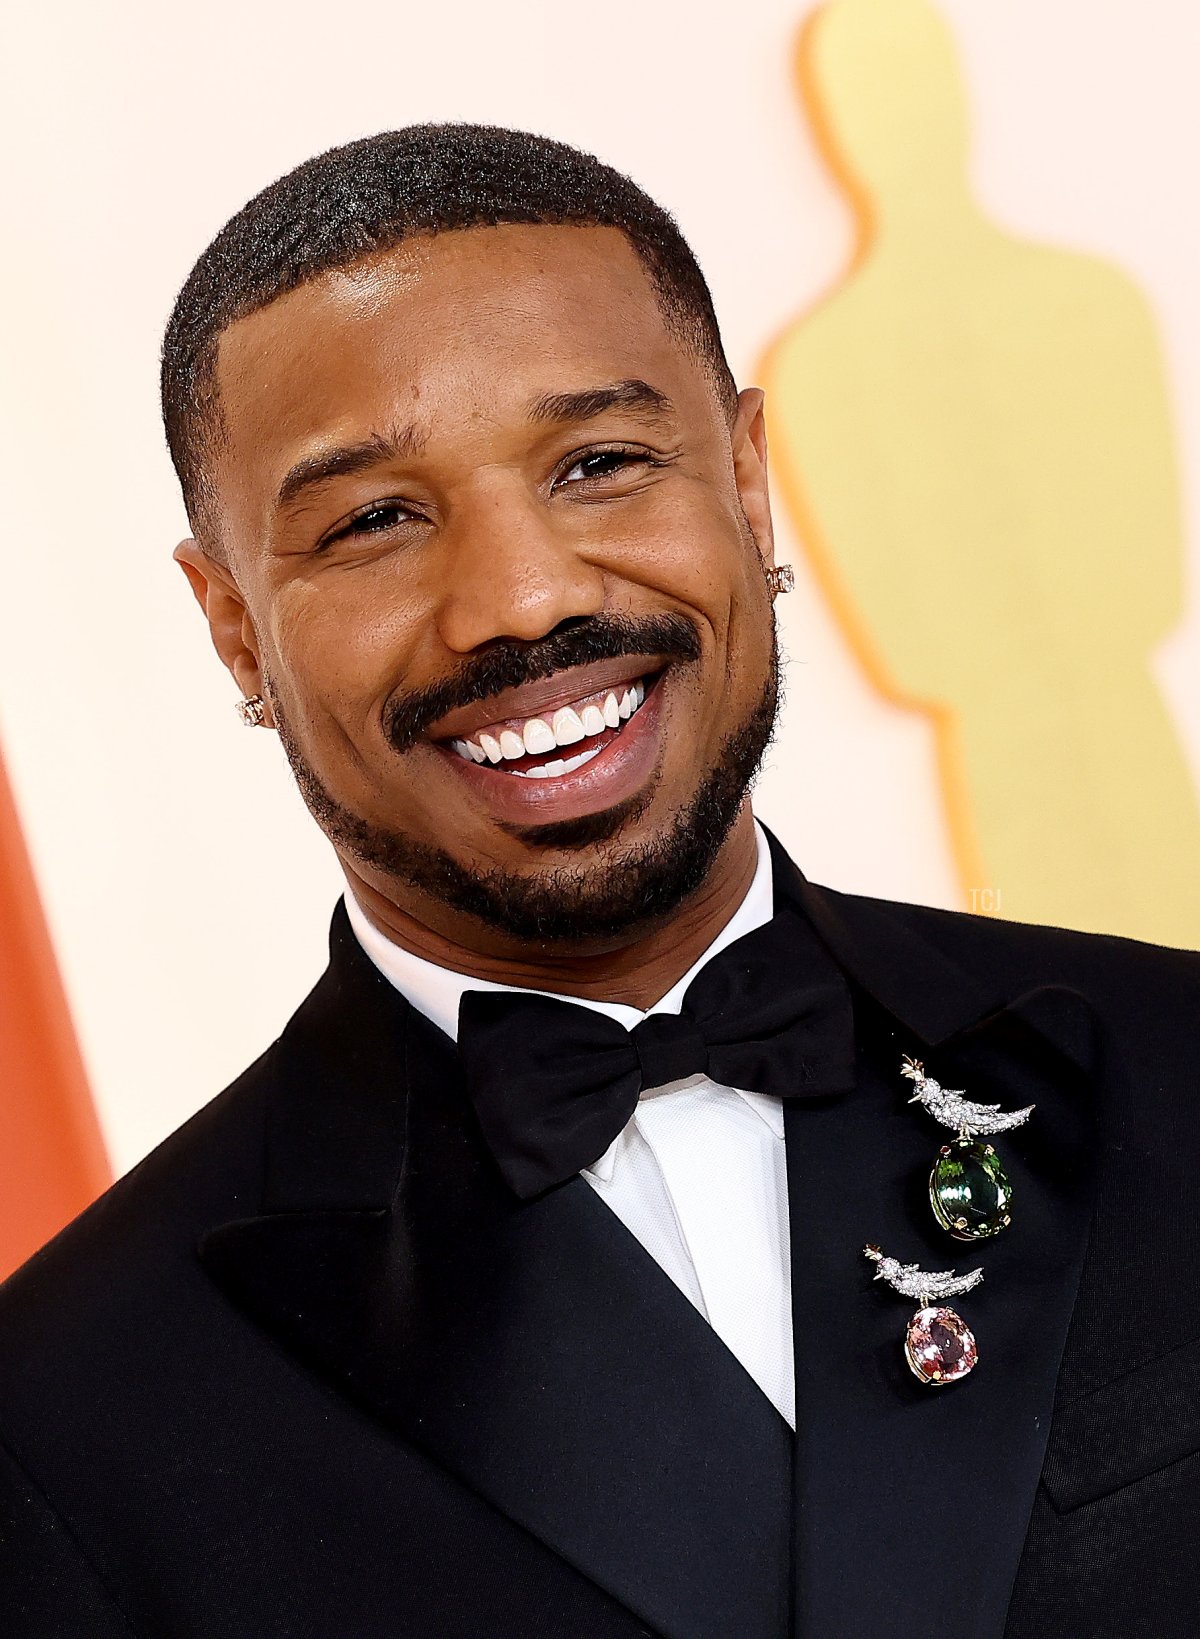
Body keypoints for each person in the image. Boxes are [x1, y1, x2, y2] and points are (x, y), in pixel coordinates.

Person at [0, 124, 1196, 1639]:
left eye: (601, 465)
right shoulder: (63, 1421)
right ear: (234, 626)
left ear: (750, 489)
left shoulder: (1179, 1061)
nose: (520, 598)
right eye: (374, 520)